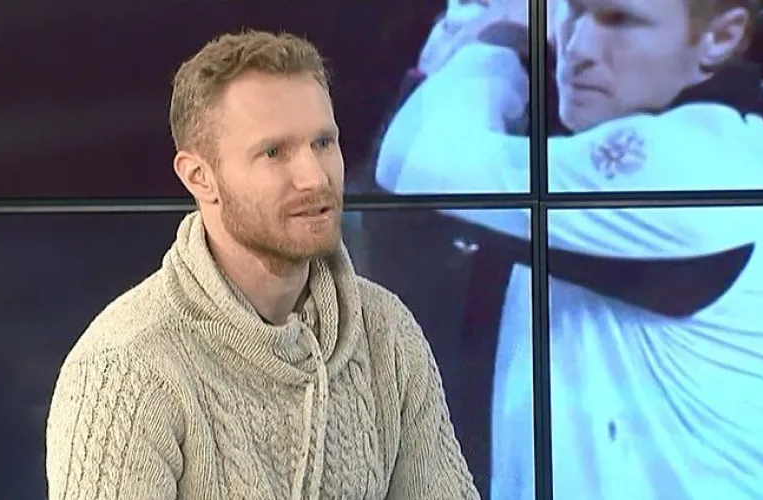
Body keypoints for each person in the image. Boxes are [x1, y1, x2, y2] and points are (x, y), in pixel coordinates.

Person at [44, 29, 479, 500]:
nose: (315, 178)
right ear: (200, 177)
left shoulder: (386, 332)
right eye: (274, 152)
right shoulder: (126, 369)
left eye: (323, 143)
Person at [374, 0, 763, 498]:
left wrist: (502, 37)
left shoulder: (702, 165)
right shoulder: (597, 148)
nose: (577, 48)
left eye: (621, 21)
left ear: (719, 37)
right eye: (571, 11)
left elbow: (415, 160)